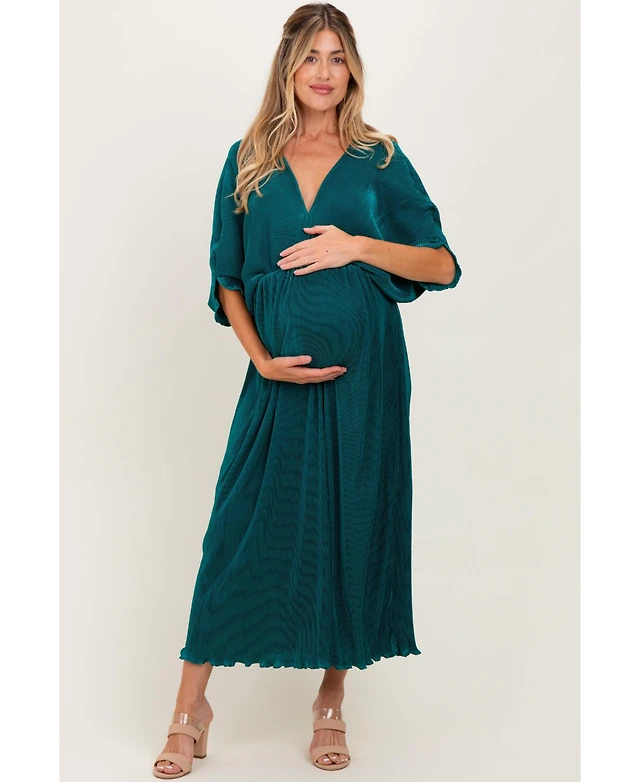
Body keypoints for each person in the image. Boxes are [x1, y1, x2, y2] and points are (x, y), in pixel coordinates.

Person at [153, 2, 462, 777]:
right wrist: (260, 359)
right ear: (288, 68)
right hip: (278, 380)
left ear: (352, 68)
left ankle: (331, 699)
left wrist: (359, 245)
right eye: (311, 57)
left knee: (348, 526)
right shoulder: (249, 157)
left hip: (367, 383)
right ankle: (190, 707)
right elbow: (227, 277)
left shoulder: (379, 158)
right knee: (236, 532)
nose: (325, 72)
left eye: (338, 57)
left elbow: (442, 264)